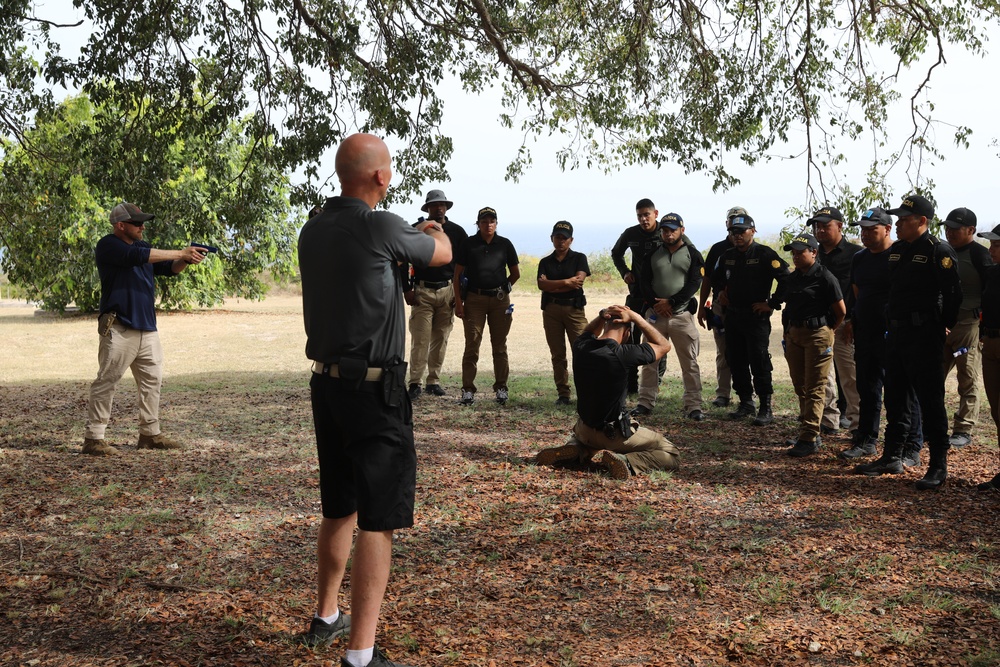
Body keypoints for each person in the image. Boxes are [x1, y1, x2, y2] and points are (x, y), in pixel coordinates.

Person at [297, 133, 451, 667]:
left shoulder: (312, 229)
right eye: (390, 170)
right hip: (374, 392)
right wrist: (429, 230)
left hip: (327, 385)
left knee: (339, 505)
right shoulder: (383, 226)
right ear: (381, 178)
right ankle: (361, 654)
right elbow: (442, 253)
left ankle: (326, 616)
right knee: (377, 519)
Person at [82, 202, 208, 456]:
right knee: (106, 381)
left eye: (142, 222)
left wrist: (187, 260)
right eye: (137, 223)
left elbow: (169, 269)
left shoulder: (142, 247)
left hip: (147, 327)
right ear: (120, 225)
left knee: (152, 382)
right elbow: (136, 258)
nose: (142, 227)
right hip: (119, 326)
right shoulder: (108, 245)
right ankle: (93, 438)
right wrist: (180, 252)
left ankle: (150, 435)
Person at [854, 195, 961, 490]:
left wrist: (942, 325)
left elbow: (953, 295)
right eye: (897, 220)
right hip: (897, 334)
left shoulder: (938, 251)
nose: (899, 224)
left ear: (923, 222)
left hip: (924, 335)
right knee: (896, 397)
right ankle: (891, 456)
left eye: (904, 220)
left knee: (929, 400)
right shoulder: (898, 251)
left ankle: (938, 464)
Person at [535, 305, 680, 478]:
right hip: (613, 434)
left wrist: (601, 316)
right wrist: (636, 317)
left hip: (584, 429)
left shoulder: (581, 346)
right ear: (627, 333)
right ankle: (626, 461)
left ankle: (577, 448)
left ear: (605, 325)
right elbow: (664, 345)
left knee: (588, 440)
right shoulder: (623, 354)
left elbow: (588, 331)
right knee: (670, 452)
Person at [839, 208, 924, 465]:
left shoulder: (900, 255)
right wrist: (854, 319)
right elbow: (857, 291)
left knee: (903, 392)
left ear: (887, 229)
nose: (865, 234)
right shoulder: (860, 258)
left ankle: (911, 446)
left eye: (871, 229)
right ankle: (866, 439)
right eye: (862, 229)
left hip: (895, 333)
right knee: (867, 387)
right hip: (866, 332)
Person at [711, 214, 790, 426]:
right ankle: (746, 402)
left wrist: (772, 303)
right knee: (735, 359)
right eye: (733, 232)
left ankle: (765, 406)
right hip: (733, 316)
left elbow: (786, 277)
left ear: (753, 231)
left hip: (756, 317)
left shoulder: (764, 254)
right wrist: (719, 292)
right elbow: (715, 278)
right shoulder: (727, 256)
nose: (737, 236)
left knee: (759, 360)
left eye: (741, 231)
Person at [778, 233, 845, 457]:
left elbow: (841, 312)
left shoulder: (825, 277)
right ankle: (808, 430)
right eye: (794, 253)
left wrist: (827, 331)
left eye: (801, 252)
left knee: (816, 387)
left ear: (814, 253)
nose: (796, 257)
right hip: (795, 334)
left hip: (818, 335)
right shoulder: (793, 277)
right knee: (800, 385)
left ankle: (809, 437)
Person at [634, 213, 705, 420]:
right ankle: (645, 403)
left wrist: (672, 302)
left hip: (681, 315)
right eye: (664, 230)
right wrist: (657, 304)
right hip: (655, 316)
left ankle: (694, 406)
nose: (668, 233)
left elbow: (694, 283)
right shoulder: (653, 254)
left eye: (672, 230)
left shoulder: (693, 254)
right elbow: (643, 282)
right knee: (649, 361)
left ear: (682, 230)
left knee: (689, 362)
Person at [403, 189, 469, 400]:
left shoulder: (457, 232)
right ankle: (415, 383)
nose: (439, 208)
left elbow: (464, 265)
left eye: (442, 204)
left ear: (446, 207)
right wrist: (406, 288)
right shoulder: (417, 229)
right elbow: (402, 259)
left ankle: (433, 381)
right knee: (420, 339)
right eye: (434, 204)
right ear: (428, 208)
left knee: (441, 337)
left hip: (447, 290)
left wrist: (460, 295)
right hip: (422, 290)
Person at [453, 207, 520, 405]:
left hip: (500, 301)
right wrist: (459, 302)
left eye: (492, 221)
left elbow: (515, 273)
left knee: (499, 346)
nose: (488, 224)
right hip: (474, 300)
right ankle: (467, 390)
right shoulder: (469, 244)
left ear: (496, 224)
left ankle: (501, 388)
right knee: (472, 345)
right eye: (484, 221)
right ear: (478, 224)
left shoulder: (505, 244)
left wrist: (505, 287)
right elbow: (457, 275)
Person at [940, 207, 992, 448]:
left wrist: (983, 326)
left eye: (955, 228)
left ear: (971, 230)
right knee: (932, 376)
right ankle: (932, 423)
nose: (949, 232)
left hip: (969, 326)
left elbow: (990, 292)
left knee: (967, 378)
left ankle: (963, 429)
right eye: (947, 228)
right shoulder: (941, 251)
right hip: (942, 325)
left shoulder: (980, 255)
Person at [809, 206, 862, 434]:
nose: (820, 230)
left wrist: (853, 321)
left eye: (825, 226)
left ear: (839, 226)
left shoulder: (855, 254)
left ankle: (858, 424)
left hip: (845, 324)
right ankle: (828, 421)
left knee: (850, 378)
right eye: (817, 226)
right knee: (823, 377)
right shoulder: (813, 253)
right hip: (819, 325)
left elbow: (863, 291)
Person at [611, 198, 666, 393]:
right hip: (636, 294)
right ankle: (632, 385)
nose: (643, 219)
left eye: (647, 215)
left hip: (659, 296)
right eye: (640, 216)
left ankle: (654, 383)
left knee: (657, 337)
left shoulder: (666, 231)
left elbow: (687, 253)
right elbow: (616, 253)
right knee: (631, 339)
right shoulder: (630, 233)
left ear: (656, 214)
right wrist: (625, 272)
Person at [537, 221, 590, 405]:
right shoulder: (545, 262)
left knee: (582, 352)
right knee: (557, 354)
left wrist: (553, 285)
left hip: (574, 310)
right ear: (552, 238)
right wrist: (566, 283)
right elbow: (541, 285)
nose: (561, 241)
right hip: (551, 310)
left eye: (565, 238)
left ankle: (585, 392)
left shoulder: (579, 258)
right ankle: (563, 393)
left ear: (571, 240)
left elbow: (578, 282)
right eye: (557, 237)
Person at [698, 206, 746, 408]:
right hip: (720, 307)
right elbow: (707, 279)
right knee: (723, 351)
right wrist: (702, 306)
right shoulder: (718, 249)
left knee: (746, 352)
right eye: (732, 220)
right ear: (726, 224)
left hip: (745, 308)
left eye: (740, 221)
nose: (735, 226)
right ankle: (723, 394)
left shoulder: (754, 249)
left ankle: (747, 397)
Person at [973, 223, 1000, 491]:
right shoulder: (992, 274)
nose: (991, 250)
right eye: (991, 244)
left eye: (997, 245)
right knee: (997, 410)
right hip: (990, 343)